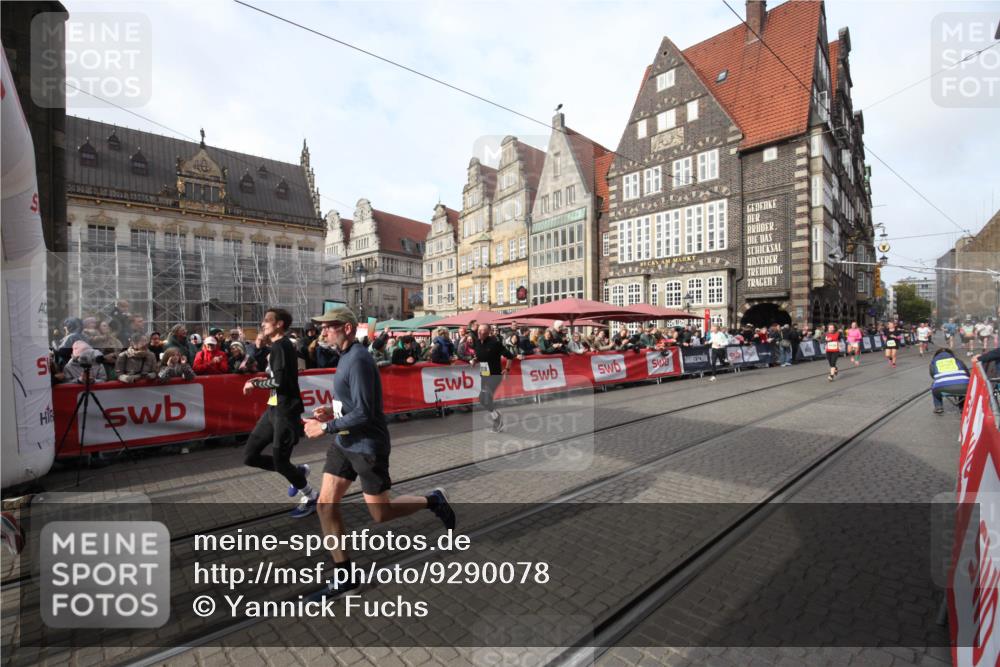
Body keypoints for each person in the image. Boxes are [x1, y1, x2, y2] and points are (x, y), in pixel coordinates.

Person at [302, 307, 456, 596]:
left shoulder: (358, 359)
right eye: (322, 327)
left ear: (346, 328)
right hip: (344, 443)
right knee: (325, 505)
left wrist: (325, 428)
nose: (323, 332)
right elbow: (352, 404)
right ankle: (345, 576)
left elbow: (366, 413)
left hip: (366, 446)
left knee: (380, 513)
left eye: (328, 327)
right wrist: (331, 412)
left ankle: (433, 500)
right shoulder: (345, 356)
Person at [241, 308, 315, 518]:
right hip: (272, 410)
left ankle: (311, 496)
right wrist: (257, 380)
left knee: (281, 462)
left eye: (267, 321)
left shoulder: (282, 346)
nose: (263, 324)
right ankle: (297, 472)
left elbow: (279, 381)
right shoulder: (276, 347)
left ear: (279, 324)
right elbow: (275, 377)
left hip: (285, 411)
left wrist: (256, 385)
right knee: (250, 456)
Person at [471, 323, 520, 433]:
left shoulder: (495, 343)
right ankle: (497, 418)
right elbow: (480, 356)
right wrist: (475, 360)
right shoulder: (477, 342)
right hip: (484, 374)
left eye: (482, 330)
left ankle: (497, 419)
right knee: (483, 400)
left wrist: (506, 369)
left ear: (488, 332)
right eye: (479, 330)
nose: (479, 332)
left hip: (494, 375)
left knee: (485, 398)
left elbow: (510, 356)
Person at [928, 347, 970, 414]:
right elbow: (967, 374)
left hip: (942, 387)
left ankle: (938, 407)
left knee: (934, 385)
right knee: (963, 381)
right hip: (964, 386)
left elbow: (933, 375)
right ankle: (962, 407)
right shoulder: (957, 360)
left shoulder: (934, 362)